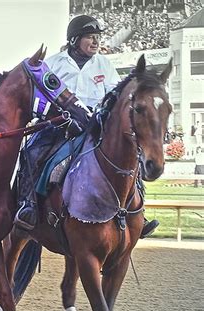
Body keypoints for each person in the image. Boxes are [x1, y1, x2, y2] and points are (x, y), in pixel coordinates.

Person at [15, 14, 159, 238]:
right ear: (74, 40)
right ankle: (28, 206)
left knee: (130, 155)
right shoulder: (52, 63)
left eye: (97, 38)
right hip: (60, 127)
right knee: (32, 152)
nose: (95, 42)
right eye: (90, 37)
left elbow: (116, 97)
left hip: (96, 127)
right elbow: (41, 96)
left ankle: (137, 212)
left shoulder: (105, 64)